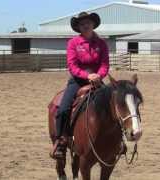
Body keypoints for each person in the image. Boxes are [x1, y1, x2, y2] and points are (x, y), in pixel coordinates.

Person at [50, 12, 110, 159]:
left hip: (97, 80)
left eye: (88, 22)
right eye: (82, 24)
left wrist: (98, 75)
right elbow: (72, 65)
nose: (85, 25)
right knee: (63, 108)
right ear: (78, 27)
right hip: (77, 81)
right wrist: (87, 75)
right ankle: (61, 141)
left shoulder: (101, 44)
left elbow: (105, 64)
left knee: (113, 105)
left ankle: (117, 141)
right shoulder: (73, 43)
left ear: (93, 24)